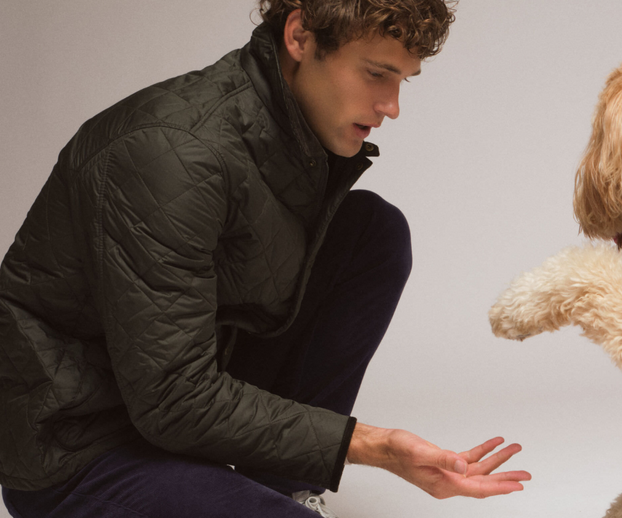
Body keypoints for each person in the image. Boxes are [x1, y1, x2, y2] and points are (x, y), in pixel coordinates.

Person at [0, 1, 530, 516]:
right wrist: (375, 446)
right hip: (79, 446)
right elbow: (173, 399)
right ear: (299, 37)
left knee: (371, 231)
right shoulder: (169, 154)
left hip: (171, 402)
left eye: (402, 81)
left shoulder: (284, 134)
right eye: (375, 74)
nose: (391, 106)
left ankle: (285, 487)